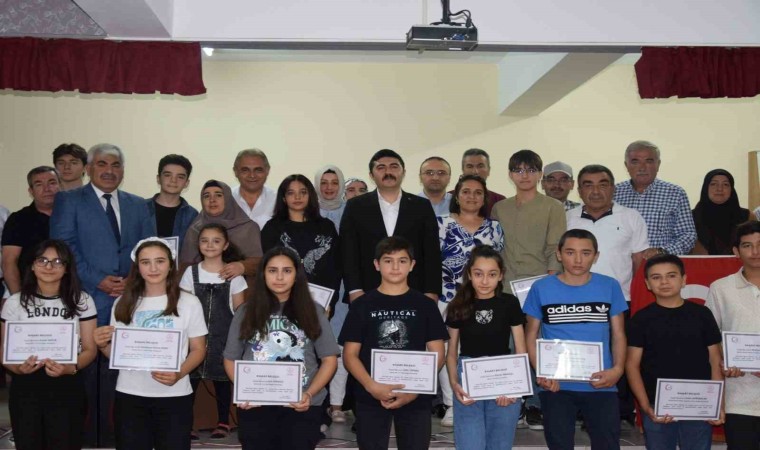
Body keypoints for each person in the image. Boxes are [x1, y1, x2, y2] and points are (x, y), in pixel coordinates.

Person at [50, 143, 153, 446]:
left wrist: (132, 280)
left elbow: (148, 247)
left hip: (130, 301)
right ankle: (86, 437)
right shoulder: (69, 200)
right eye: (102, 164)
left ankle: (116, 436)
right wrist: (99, 280)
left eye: (116, 164)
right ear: (89, 168)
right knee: (86, 372)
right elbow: (64, 247)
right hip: (85, 298)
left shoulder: (138, 204)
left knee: (121, 371)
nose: (109, 170)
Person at [93, 238, 207, 450]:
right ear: (137, 267)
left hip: (174, 395)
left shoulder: (189, 302)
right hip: (130, 394)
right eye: (145, 262)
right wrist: (102, 345)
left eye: (160, 261)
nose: (153, 268)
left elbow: (199, 349)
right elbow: (119, 355)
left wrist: (179, 373)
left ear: (171, 264)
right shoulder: (123, 302)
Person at [223, 246, 340, 450]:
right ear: (263, 274)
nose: (279, 277)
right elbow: (230, 358)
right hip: (256, 405)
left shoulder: (314, 311)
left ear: (296, 275)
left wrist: (309, 394)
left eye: (286, 271)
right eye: (272, 270)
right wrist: (244, 390)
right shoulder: (246, 311)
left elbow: (329, 359)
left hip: (301, 405)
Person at [339, 237, 448, 450]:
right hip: (371, 395)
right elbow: (350, 355)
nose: (395, 267)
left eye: (402, 261)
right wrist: (372, 386)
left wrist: (414, 391)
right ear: (376, 264)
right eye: (388, 261)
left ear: (412, 265)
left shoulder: (425, 305)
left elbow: (438, 354)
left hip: (415, 395)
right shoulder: (362, 305)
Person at [524, 229, 628, 450]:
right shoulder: (541, 287)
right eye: (570, 252)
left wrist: (618, 370)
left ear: (596, 256)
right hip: (556, 386)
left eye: (586, 253)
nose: (578, 259)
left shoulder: (609, 285)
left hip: (601, 383)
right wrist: (541, 372)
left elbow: (619, 333)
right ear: (559, 254)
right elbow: (530, 335)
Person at [492, 149, 566, 430]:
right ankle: (516, 401)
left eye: (531, 170)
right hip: (506, 288)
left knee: (538, 344)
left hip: (540, 286)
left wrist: (549, 284)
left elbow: (555, 247)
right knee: (512, 346)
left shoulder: (552, 207)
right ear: (510, 174)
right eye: (519, 170)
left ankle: (536, 404)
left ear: (540, 174)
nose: (525, 175)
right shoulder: (500, 208)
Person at [0, 240, 97, 450]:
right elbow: (4, 351)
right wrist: (17, 368)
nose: (49, 266)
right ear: (32, 266)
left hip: (67, 384)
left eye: (57, 261)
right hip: (26, 386)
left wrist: (71, 367)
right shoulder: (15, 302)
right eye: (42, 260)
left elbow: (90, 349)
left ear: (67, 268)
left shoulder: (82, 300)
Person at [626, 254, 724, 450]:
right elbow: (632, 365)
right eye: (656, 277)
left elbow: (715, 360)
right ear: (647, 284)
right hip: (657, 406)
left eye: (671, 275)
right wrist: (645, 406)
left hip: (699, 405)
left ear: (683, 280)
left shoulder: (702, 314)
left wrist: (717, 404)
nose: (664, 282)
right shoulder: (641, 319)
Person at [437, 174, 505, 426]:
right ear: (456, 195)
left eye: (478, 192)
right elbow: (430, 261)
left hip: (483, 298)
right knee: (448, 349)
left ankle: (480, 394)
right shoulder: (440, 223)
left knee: (476, 348)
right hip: (447, 296)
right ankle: (451, 402)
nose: (472, 197)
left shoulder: (495, 227)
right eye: (466, 191)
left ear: (485, 198)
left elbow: (498, 264)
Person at [445, 246, 526, 450]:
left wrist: (516, 388)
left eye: (492, 274)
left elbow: (521, 348)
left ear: (501, 276)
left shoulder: (509, 303)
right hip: (468, 378)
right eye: (478, 274)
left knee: (500, 444)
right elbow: (451, 352)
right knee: (470, 444)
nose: (484, 281)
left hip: (504, 376)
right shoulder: (458, 305)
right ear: (469, 274)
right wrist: (454, 384)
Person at [340, 149, 441, 302]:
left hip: (415, 291)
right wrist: (354, 290)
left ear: (403, 172)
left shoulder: (421, 206)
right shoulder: (355, 206)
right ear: (371, 175)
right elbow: (348, 251)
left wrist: (431, 291)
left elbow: (432, 252)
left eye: (394, 166)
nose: (388, 172)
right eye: (381, 168)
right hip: (367, 292)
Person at [179, 223, 247, 441]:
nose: (210, 245)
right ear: (198, 244)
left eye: (216, 241)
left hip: (224, 336)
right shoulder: (191, 272)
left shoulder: (234, 275)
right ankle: (186, 423)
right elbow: (182, 305)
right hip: (194, 337)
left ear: (225, 245)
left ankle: (223, 421)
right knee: (190, 379)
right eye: (204, 240)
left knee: (223, 380)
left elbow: (240, 311)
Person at [706, 220, 760, 449]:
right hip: (739, 397)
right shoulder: (721, 288)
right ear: (736, 251)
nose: (755, 251)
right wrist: (724, 363)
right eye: (747, 245)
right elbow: (711, 339)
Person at [566, 164, 648, 302]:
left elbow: (638, 261)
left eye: (602, 185)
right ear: (579, 191)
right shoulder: (567, 218)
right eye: (588, 185)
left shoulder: (631, 217)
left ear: (613, 189)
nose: (596, 192)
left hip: (620, 299)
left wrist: (636, 295)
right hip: (574, 299)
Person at [262, 175, 341, 309]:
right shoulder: (272, 228)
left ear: (310, 196)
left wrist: (330, 302)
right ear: (283, 198)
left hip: (320, 300)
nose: (297, 197)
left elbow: (335, 268)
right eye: (291, 193)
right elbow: (266, 267)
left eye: (303, 192)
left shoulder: (326, 227)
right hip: (280, 300)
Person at [614, 140, 696, 257]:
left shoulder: (675, 193)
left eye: (649, 161)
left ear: (658, 164)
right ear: (626, 165)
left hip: (659, 264)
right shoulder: (614, 193)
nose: (642, 168)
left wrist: (661, 252)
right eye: (635, 162)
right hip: (620, 263)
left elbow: (688, 235)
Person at [180, 180, 263, 288]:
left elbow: (260, 263)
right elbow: (185, 266)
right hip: (200, 290)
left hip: (242, 291)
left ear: (228, 198)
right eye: (206, 196)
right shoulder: (195, 229)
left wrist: (242, 266)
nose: (212, 200)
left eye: (218, 195)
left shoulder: (248, 228)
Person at [2, 166, 61, 294]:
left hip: (71, 291)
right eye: (39, 184)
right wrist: (18, 298)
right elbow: (9, 262)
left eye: (52, 183)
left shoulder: (73, 215)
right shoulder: (18, 219)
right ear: (31, 191)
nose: (47, 189)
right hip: (30, 292)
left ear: (60, 186)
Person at [692, 169, 752, 255]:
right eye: (713, 184)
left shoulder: (747, 217)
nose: (719, 189)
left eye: (725, 184)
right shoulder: (691, 217)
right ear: (705, 188)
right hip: (700, 263)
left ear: (731, 189)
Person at [146, 154, 199, 252]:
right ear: (158, 178)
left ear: (187, 183)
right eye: (167, 175)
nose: (173, 180)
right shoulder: (141, 209)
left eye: (180, 177)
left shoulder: (192, 215)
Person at [231, 148, 276, 230]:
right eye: (245, 170)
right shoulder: (226, 199)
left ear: (267, 170)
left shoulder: (277, 200)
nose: (252, 175)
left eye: (258, 170)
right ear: (235, 171)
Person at [460, 148, 506, 216]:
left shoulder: (500, 201)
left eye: (480, 166)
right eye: (470, 166)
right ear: (463, 170)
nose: (475, 172)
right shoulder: (449, 198)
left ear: (489, 170)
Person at [315, 165, 346, 230]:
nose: (329, 187)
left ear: (341, 185)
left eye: (335, 183)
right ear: (317, 185)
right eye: (324, 183)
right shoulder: (308, 210)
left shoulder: (349, 210)